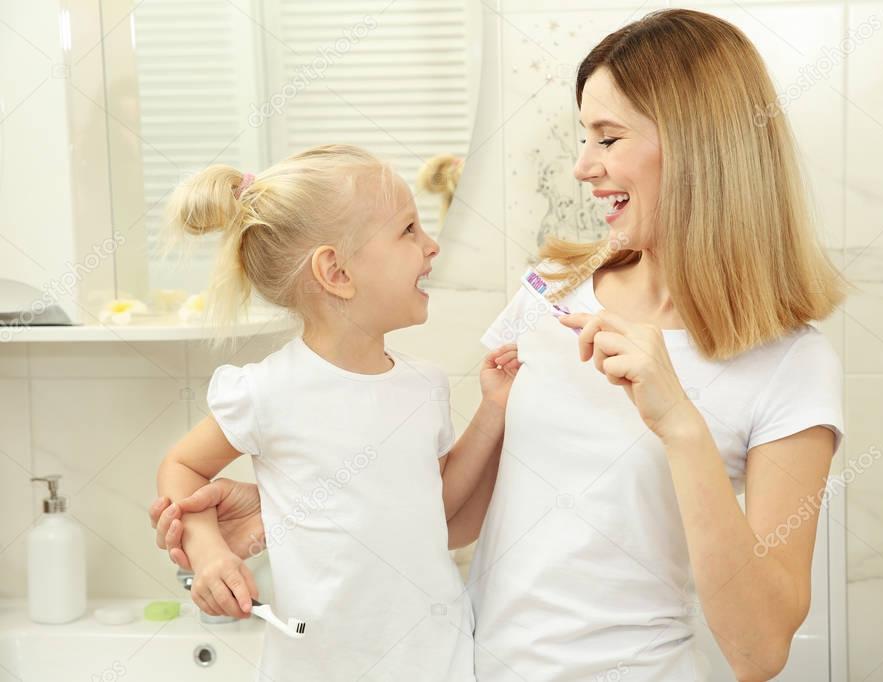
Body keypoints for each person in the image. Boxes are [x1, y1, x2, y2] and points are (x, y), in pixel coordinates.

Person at [152, 9, 846, 681]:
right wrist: (297, 504)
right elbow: (451, 519)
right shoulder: (553, 289)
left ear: (699, 144)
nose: (581, 166)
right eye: (584, 137)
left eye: (607, 138)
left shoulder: (788, 364)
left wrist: (682, 428)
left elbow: (758, 654)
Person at [154, 144, 520, 682]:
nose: (431, 245)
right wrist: (209, 553)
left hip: (434, 662)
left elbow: (442, 518)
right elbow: (182, 467)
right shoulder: (269, 391)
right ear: (336, 272)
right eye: (408, 231)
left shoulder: (425, 385)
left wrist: (493, 411)